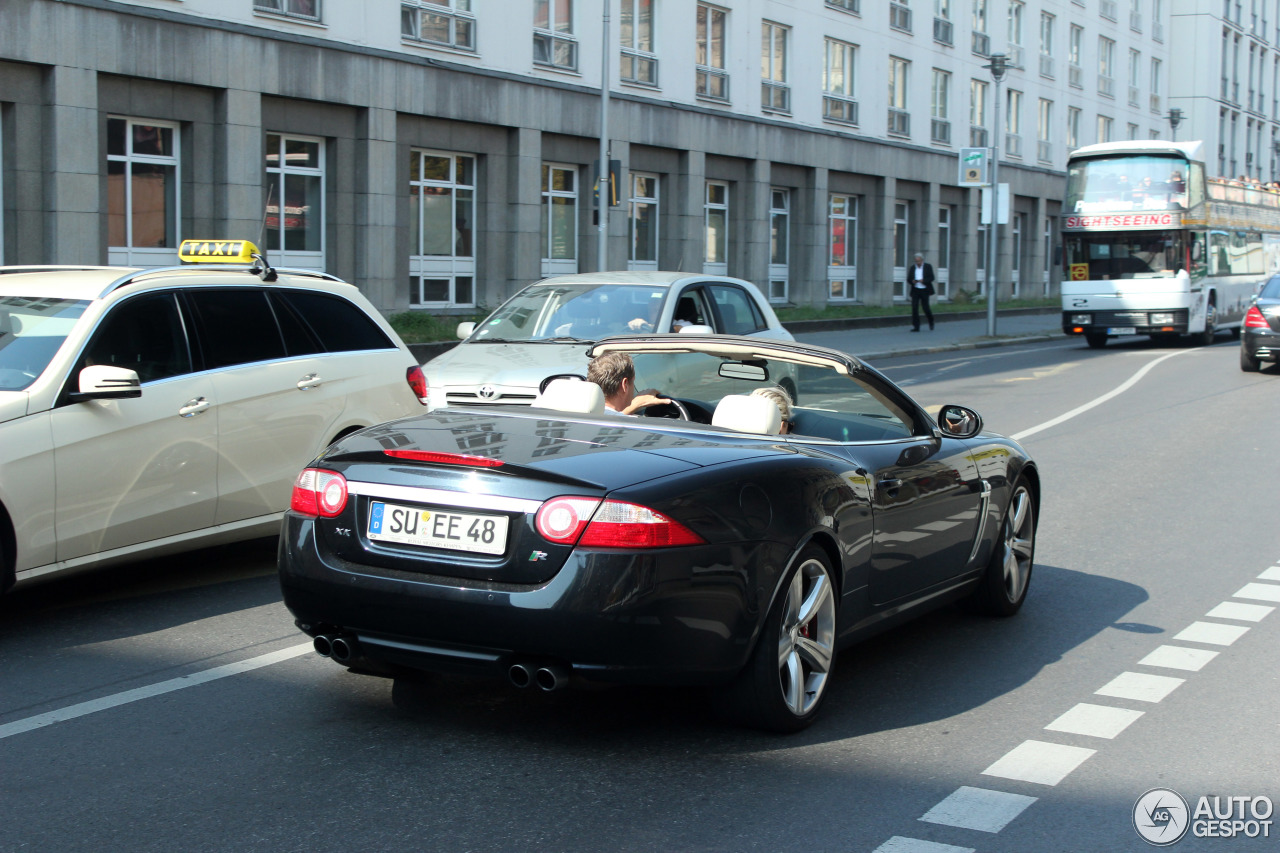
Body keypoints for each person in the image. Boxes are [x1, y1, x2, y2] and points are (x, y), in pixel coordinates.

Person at [587, 351, 671, 415]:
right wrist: (635, 404)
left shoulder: (580, 416)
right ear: (625, 385)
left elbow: (615, 417)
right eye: (633, 382)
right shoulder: (628, 428)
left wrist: (634, 406)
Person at [908, 253, 935, 332]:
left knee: (925, 307)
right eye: (916, 261)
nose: (918, 263)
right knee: (914, 307)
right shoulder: (913, 268)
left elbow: (932, 277)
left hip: (924, 289)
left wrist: (924, 281)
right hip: (916, 289)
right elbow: (909, 278)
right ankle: (916, 326)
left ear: (922, 260)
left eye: (919, 261)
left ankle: (931, 321)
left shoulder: (927, 266)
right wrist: (912, 281)